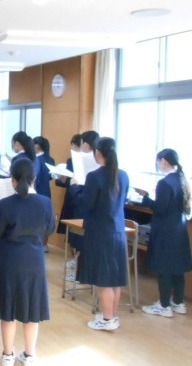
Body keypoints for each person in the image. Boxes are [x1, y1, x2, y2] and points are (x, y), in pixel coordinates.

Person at [0, 158, 55, 366]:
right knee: (31, 309)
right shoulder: (45, 202)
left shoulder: (3, 204)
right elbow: (50, 229)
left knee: (8, 310)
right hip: (34, 261)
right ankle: (29, 355)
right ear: (34, 179)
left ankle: (7, 355)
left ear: (13, 180)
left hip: (9, 260)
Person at [76, 137, 129, 331]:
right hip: (118, 231)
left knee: (103, 279)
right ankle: (112, 316)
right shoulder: (123, 175)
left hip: (99, 232)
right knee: (114, 278)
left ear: (97, 153)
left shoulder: (94, 176)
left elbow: (87, 204)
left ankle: (107, 320)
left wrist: (77, 189)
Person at [137, 149, 192, 317]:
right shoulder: (182, 179)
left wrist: (146, 198)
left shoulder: (164, 183)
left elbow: (160, 209)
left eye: (158, 161)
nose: (157, 164)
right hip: (179, 229)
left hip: (165, 230)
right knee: (177, 268)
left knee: (164, 268)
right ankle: (178, 303)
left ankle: (164, 305)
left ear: (164, 161)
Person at [55, 134, 83, 276]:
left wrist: (67, 181)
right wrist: (61, 178)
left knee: (77, 233)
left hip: (78, 197)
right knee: (70, 231)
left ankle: (78, 260)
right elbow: (65, 182)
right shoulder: (70, 160)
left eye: (73, 145)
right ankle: (75, 258)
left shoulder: (80, 161)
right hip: (71, 196)